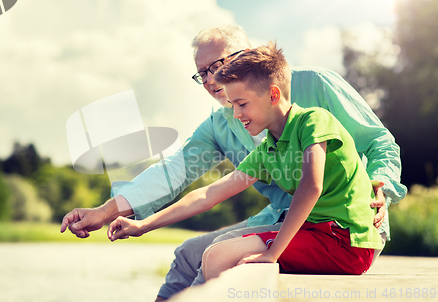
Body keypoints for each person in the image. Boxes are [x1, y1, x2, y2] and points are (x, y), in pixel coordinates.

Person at [60, 25, 407, 301]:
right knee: (186, 254)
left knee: (216, 258)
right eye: (202, 73)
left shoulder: (312, 90)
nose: (211, 79)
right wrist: (114, 214)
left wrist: (381, 185)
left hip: (344, 229)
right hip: (283, 222)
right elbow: (185, 177)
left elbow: (378, 142)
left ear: (248, 57)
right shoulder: (222, 124)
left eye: (218, 65)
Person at [108, 41, 384, 278]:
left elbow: (311, 187)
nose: (236, 114)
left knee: (219, 257)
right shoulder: (268, 150)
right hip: (314, 235)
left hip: (346, 242)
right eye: (232, 105)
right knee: (215, 254)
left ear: (273, 94)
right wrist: (143, 225)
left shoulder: (313, 120)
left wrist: (273, 253)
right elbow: (209, 194)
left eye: (242, 104)